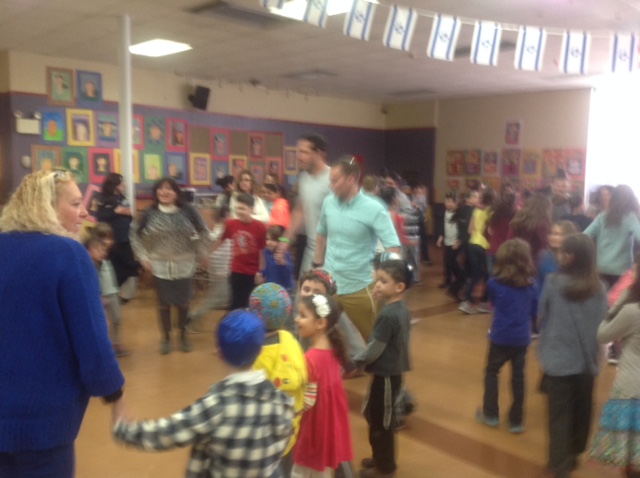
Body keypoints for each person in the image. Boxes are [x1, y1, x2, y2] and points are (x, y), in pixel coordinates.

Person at [0, 170, 125, 478]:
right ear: (46, 206)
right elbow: (92, 341)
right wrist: (115, 396)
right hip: (42, 424)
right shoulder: (68, 253)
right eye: (74, 203)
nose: (84, 212)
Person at [113, 310, 295, 477]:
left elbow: (169, 432)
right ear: (260, 350)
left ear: (219, 353)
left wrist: (124, 430)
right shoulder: (283, 403)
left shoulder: (216, 407)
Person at [537, 234, 608, 478]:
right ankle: (573, 452)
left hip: (556, 360)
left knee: (558, 415)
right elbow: (602, 328)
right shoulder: (599, 288)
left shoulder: (553, 282)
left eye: (562, 252)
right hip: (586, 362)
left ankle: (559, 464)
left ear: (569, 256)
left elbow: (541, 315)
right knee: (582, 411)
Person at [314, 156, 400, 341]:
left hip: (360, 287)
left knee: (376, 341)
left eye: (334, 180)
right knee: (321, 336)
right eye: (330, 180)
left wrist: (382, 278)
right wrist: (317, 264)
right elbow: (321, 233)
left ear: (351, 179)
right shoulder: (329, 202)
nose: (330, 185)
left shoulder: (374, 208)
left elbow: (393, 247)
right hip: (329, 284)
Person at [131, 177, 210, 354]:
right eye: (160, 188)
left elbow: (204, 231)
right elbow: (134, 233)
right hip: (160, 266)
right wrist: (142, 256)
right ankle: (166, 337)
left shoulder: (188, 211)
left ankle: (183, 335)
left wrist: (202, 251)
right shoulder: (150, 212)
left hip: (185, 264)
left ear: (176, 192)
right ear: (156, 192)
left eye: (169, 188)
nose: (164, 192)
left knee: (183, 303)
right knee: (164, 303)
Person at [352, 257, 413, 478]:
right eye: (377, 279)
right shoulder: (398, 308)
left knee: (383, 423)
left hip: (387, 376)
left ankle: (385, 468)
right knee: (375, 415)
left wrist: (355, 362)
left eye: (383, 281)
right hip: (386, 374)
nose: (377, 284)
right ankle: (379, 458)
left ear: (399, 287)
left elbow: (375, 348)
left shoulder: (389, 315)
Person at [475, 239, 538, 434]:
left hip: (500, 336)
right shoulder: (532, 285)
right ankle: (516, 421)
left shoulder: (494, 284)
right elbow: (534, 311)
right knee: (518, 378)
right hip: (521, 338)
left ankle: (491, 414)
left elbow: (493, 304)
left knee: (492, 372)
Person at [590, 254, 640, 478]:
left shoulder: (632, 312)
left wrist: (622, 299)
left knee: (630, 459)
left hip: (630, 391)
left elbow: (603, 334)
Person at [249, 283, 307, 477]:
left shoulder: (253, 352)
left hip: (263, 436)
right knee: (286, 466)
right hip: (290, 426)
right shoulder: (290, 338)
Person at [293, 294, 354, 477]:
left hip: (314, 427)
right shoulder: (334, 351)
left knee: (301, 471)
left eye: (303, 316)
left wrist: (291, 414)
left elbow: (308, 401)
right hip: (330, 426)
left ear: (320, 323)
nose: (296, 319)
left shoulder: (310, 359)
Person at [276, 133, 331, 276]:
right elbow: (299, 211)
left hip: (333, 254)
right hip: (312, 249)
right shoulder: (304, 178)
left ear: (318, 154)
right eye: (298, 152)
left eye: (304, 152)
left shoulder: (333, 179)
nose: (299, 157)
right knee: (304, 289)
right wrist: (285, 240)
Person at [298, 268, 367, 365]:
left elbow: (357, 351)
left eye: (317, 292)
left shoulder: (335, 318)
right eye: (306, 289)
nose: (310, 294)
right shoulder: (303, 314)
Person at [212, 193, 267, 310]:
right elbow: (220, 240)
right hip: (236, 270)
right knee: (236, 303)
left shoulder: (260, 227)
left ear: (251, 209)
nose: (239, 211)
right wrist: (208, 254)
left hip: (253, 272)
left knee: (250, 303)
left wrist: (261, 271)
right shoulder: (231, 224)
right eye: (237, 208)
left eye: (242, 208)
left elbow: (262, 251)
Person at [84, 223, 130, 357]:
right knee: (103, 322)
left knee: (117, 318)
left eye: (110, 238)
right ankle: (105, 346)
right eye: (104, 238)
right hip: (101, 295)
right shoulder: (90, 262)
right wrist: (99, 295)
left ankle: (115, 343)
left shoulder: (112, 254)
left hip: (112, 291)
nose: (107, 242)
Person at [584, 184, 640, 288]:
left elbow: (585, 235)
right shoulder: (630, 217)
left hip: (601, 267)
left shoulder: (602, 216)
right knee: (617, 297)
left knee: (602, 296)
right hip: (622, 269)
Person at [188, 206, 232, 331]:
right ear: (224, 218)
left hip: (223, 271)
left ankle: (227, 322)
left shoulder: (220, 230)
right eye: (229, 215)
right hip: (220, 271)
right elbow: (212, 253)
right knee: (213, 300)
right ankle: (191, 317)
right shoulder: (220, 232)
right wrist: (221, 271)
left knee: (227, 299)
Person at [96, 173, 139, 301]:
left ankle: (117, 294)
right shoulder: (103, 198)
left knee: (129, 266)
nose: (124, 185)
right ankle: (112, 294)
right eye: (121, 182)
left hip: (124, 237)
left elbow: (129, 216)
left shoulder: (122, 198)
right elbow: (100, 217)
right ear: (114, 184)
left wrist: (128, 214)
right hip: (111, 239)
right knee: (118, 266)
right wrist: (116, 212)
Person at [459, 189, 495, 315]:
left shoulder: (476, 210)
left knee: (475, 274)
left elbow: (470, 230)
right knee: (488, 275)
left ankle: (467, 301)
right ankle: (484, 302)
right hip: (485, 246)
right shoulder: (491, 212)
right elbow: (490, 231)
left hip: (473, 243)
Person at [509, 193, 552, 267]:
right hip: (533, 261)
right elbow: (544, 244)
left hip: (514, 258)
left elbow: (509, 239)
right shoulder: (543, 224)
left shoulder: (518, 219)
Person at [261, 225, 294, 293]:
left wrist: (283, 263)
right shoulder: (266, 251)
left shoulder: (285, 254)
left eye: (273, 240)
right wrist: (261, 273)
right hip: (270, 287)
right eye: (267, 239)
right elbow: (263, 266)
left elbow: (289, 275)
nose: (269, 242)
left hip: (284, 289)